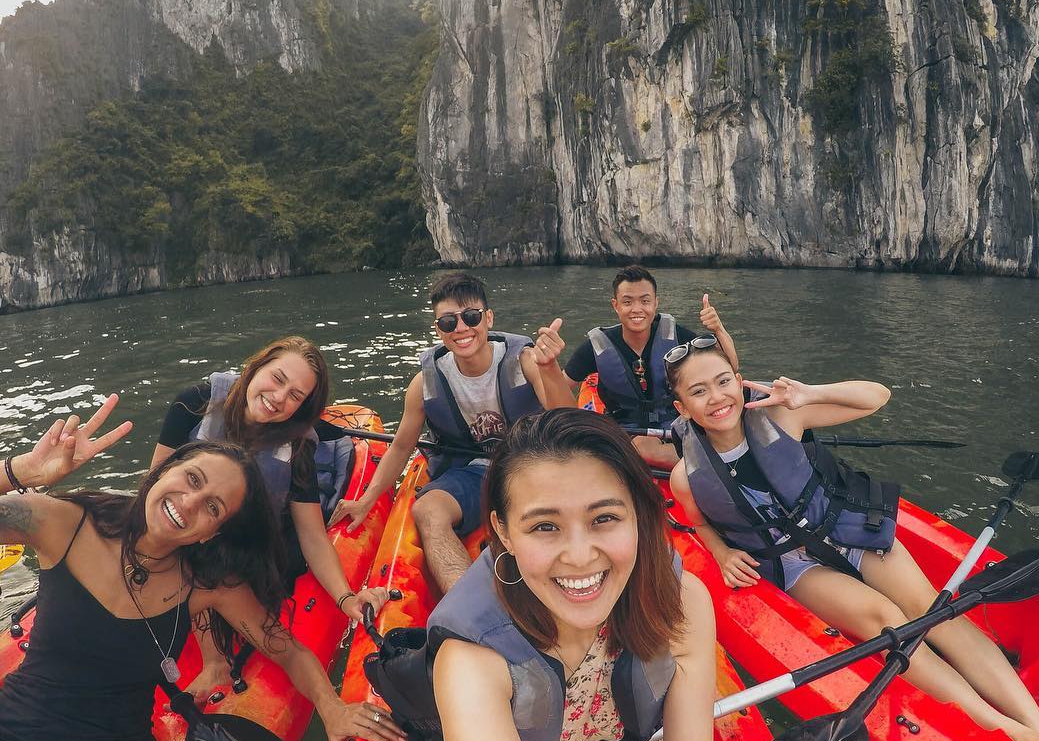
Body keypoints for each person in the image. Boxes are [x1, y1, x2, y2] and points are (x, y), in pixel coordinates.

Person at [0, 398, 384, 741]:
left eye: (213, 508)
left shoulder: (202, 585)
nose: (191, 502)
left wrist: (334, 708)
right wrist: (19, 473)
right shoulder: (62, 521)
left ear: (213, 533)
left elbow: (286, 649)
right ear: (165, 468)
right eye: (192, 479)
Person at [356, 410, 722, 741]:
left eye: (604, 519)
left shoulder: (681, 603)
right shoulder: (472, 654)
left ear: (641, 518)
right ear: (502, 530)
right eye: (545, 526)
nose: (579, 555)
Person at [665, 339, 1039, 741]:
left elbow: (877, 396)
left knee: (936, 611)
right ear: (682, 406)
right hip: (795, 562)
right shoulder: (685, 477)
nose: (717, 398)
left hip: (845, 527)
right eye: (699, 391)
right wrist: (722, 550)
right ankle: (1011, 732)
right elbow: (701, 523)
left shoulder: (782, 413)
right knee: (884, 619)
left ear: (738, 380)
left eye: (723, 381)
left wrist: (809, 393)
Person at [153, 336, 389, 697]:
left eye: (296, 396)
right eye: (277, 379)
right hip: (199, 528)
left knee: (208, 560)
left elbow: (311, 535)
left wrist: (346, 597)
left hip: (260, 543)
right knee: (184, 538)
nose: (280, 397)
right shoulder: (194, 403)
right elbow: (155, 490)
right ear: (254, 368)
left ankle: (215, 661)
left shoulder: (296, 445)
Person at [330, 272, 576, 593]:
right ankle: (469, 604)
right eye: (448, 322)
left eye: (471, 317)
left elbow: (566, 419)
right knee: (427, 509)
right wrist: (367, 500)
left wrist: (550, 369)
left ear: (488, 318)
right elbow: (402, 447)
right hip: (473, 472)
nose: (461, 329)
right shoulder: (424, 384)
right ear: (438, 330)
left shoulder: (525, 361)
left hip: (531, 463)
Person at [562, 265, 738, 467]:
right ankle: (699, 461)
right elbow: (561, 385)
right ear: (616, 305)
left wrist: (719, 329)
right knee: (642, 447)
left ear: (655, 303)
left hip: (674, 426)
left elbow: (730, 367)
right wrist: (546, 364)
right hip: (624, 432)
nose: (637, 309)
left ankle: (693, 459)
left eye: (645, 301)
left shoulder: (676, 336)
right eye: (627, 302)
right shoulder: (596, 347)